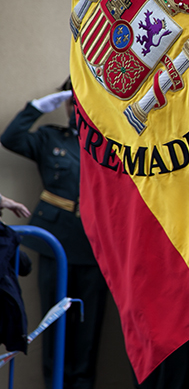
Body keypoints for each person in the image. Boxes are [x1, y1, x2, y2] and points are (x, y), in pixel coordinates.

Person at [1, 79, 109, 389]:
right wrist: (38, 106)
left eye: (82, 102)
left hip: (94, 246)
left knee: (88, 333)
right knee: (53, 327)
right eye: (71, 102)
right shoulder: (51, 138)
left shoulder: (109, 146)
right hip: (54, 242)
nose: (76, 109)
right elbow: (11, 138)